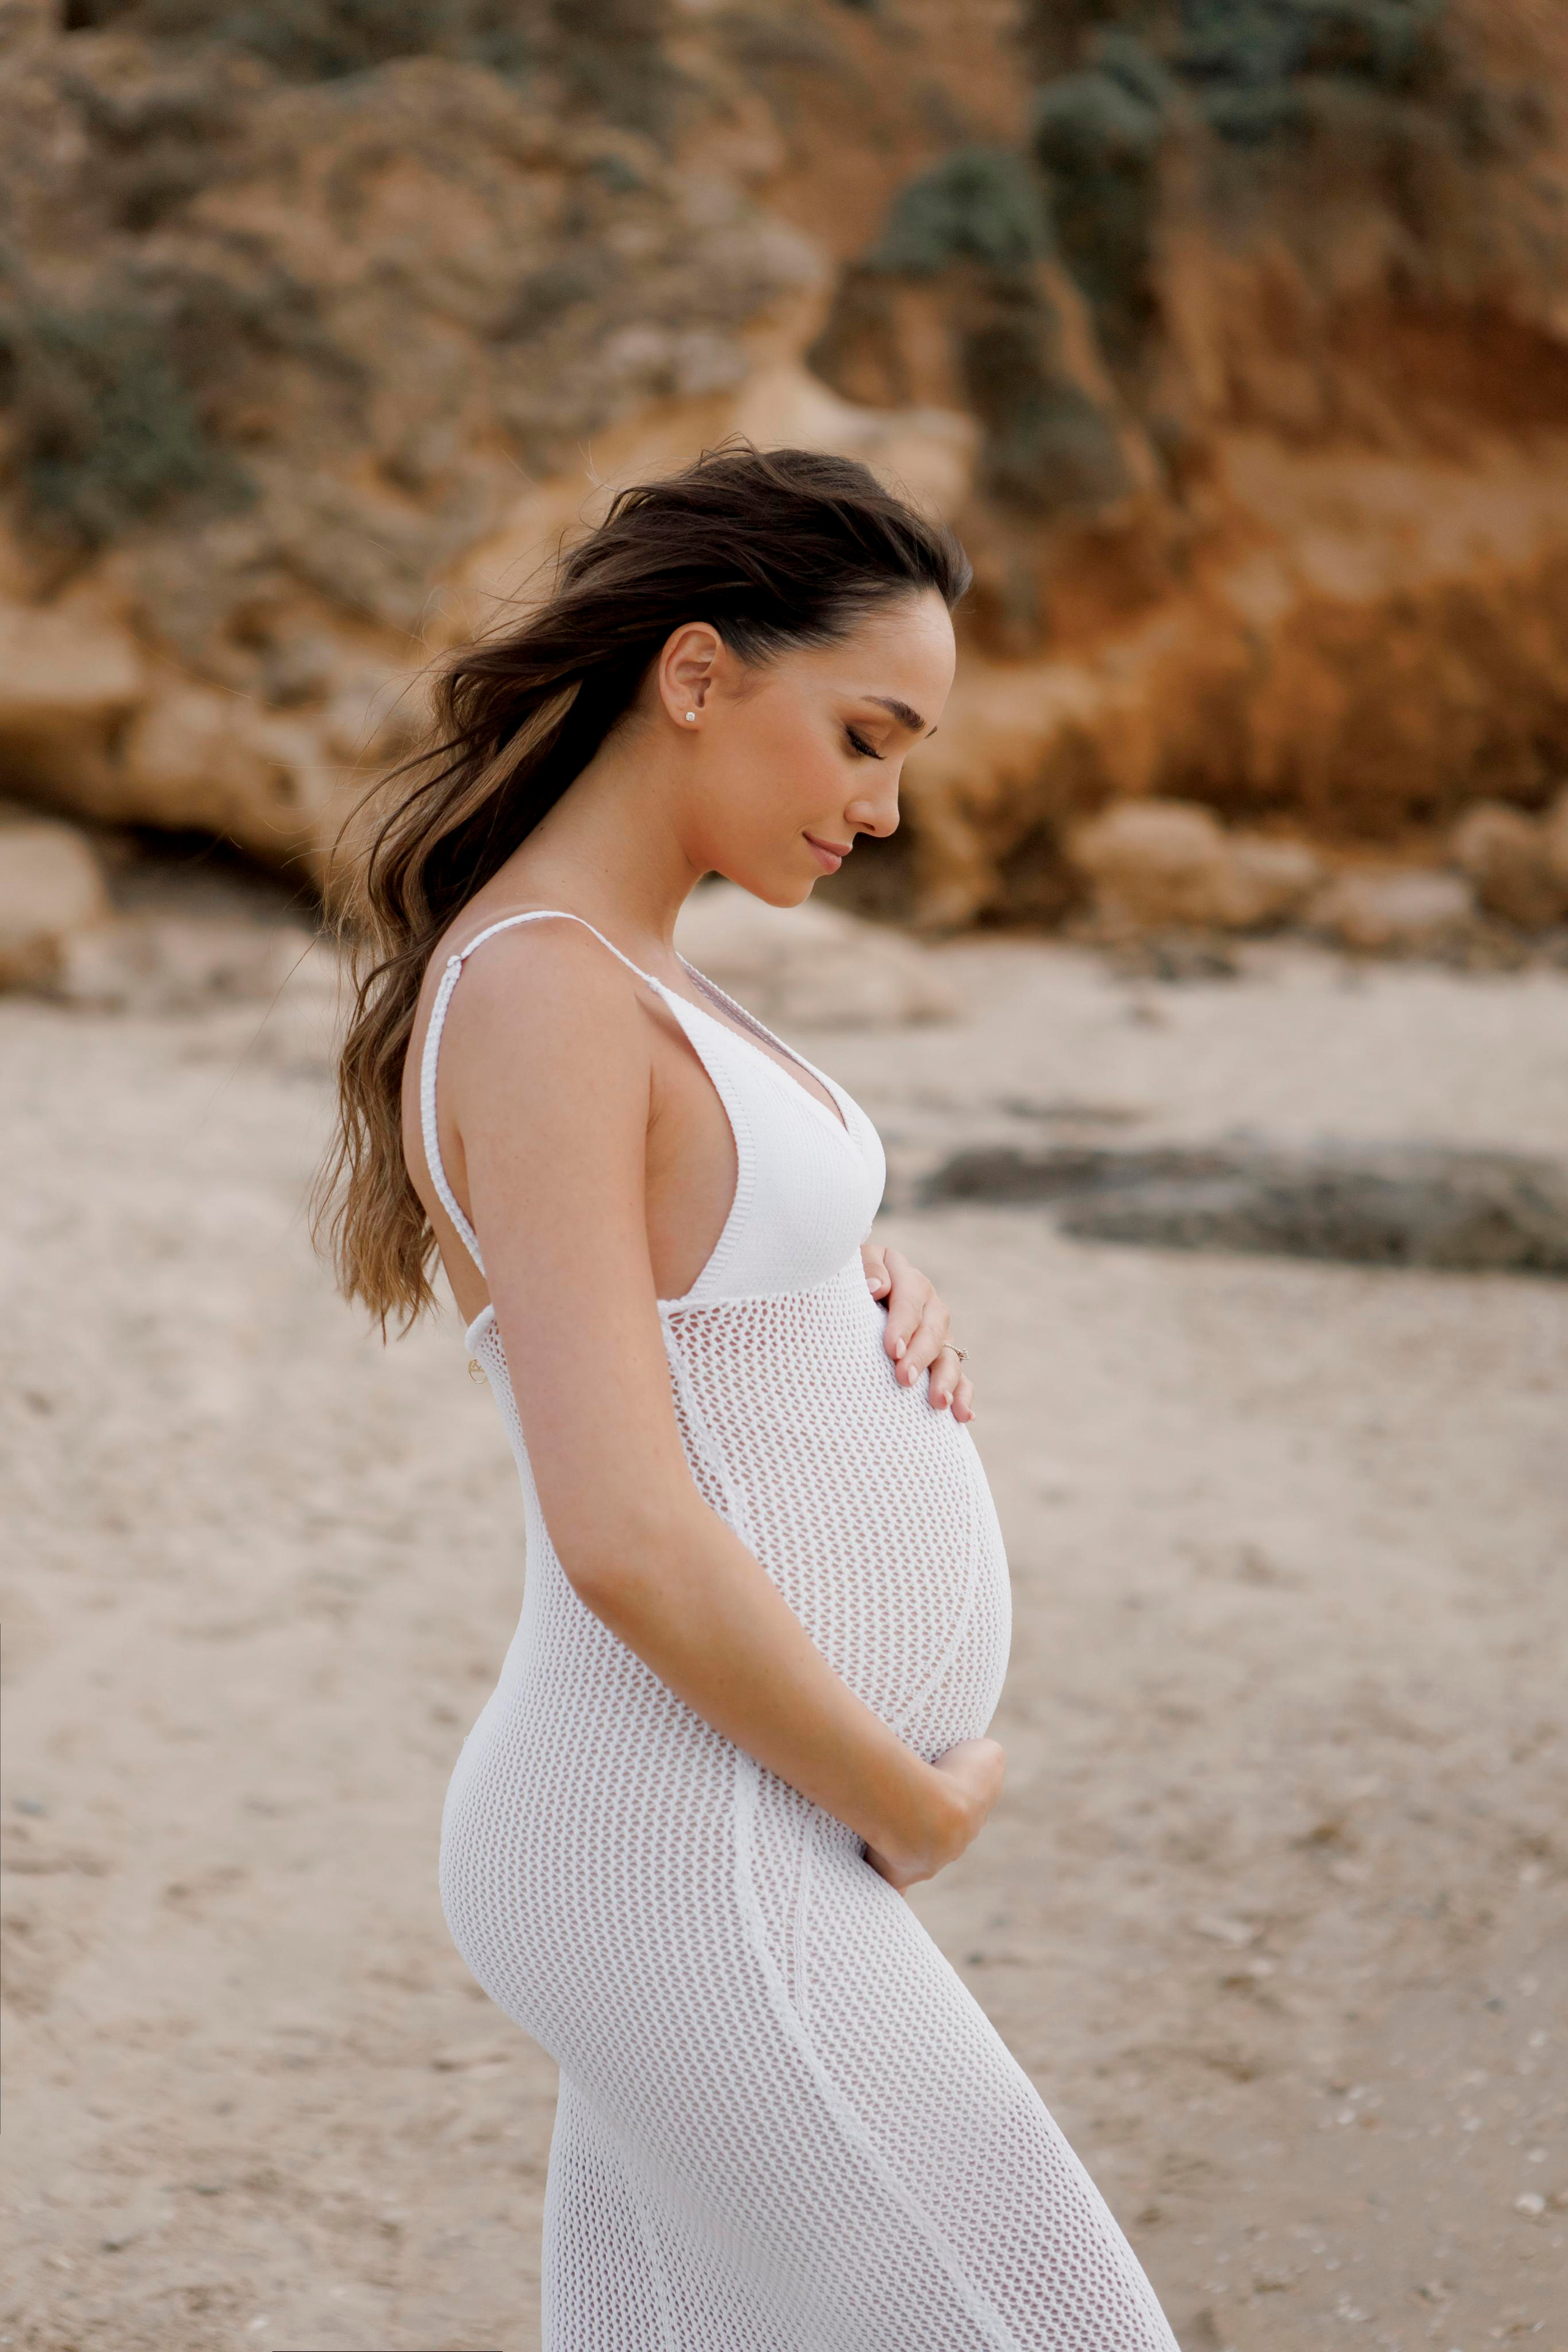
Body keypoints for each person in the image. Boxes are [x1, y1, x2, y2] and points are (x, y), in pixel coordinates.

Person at [317, 444, 1176, 2349]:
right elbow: (625, 1529)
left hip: (713, 1821)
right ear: (697, 674)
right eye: (867, 738)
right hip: (674, 1828)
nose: (885, 808)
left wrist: (862, 1275)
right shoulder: (545, 987)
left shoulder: (631, 969)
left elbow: (702, 1264)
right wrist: (907, 1806)